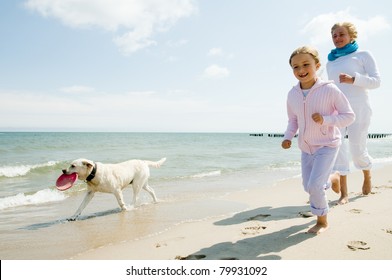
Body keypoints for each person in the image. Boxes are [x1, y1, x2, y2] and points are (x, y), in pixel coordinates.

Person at [282, 46, 355, 234]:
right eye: (295, 67)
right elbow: (293, 120)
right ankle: (334, 178)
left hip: (327, 144)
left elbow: (349, 116)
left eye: (306, 64)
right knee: (308, 186)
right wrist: (288, 137)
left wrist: (326, 120)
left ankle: (322, 221)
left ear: (317, 65)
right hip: (306, 147)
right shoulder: (292, 94)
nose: (301, 70)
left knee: (315, 185)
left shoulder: (330, 90)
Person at [327, 22, 381, 204]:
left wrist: (354, 79)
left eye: (341, 34)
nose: (337, 38)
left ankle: (367, 174)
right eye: (334, 35)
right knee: (338, 149)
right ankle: (344, 193)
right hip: (337, 110)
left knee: (357, 150)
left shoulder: (363, 55)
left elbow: (376, 82)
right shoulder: (330, 61)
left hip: (359, 108)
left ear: (351, 35)